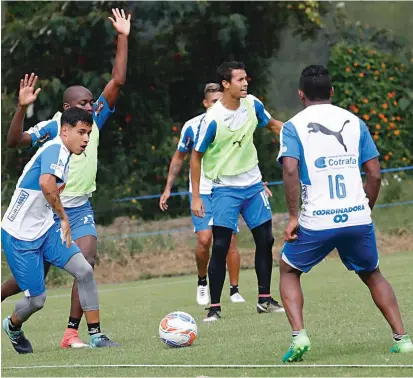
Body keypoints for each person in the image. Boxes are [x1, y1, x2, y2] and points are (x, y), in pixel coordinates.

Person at [1, 8, 131, 349]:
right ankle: (12, 317)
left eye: (93, 103)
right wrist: (20, 107)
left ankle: (85, 333)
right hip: (40, 218)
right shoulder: (54, 131)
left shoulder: (91, 123)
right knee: (34, 289)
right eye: (84, 103)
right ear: (67, 110)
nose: (91, 107)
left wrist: (123, 36)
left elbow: (117, 80)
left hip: (76, 207)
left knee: (85, 264)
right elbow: (14, 143)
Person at [277, 65, 413, 362]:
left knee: (288, 269)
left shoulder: (293, 125)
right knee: (373, 274)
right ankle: (403, 339)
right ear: (332, 92)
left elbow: (289, 168)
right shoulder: (354, 122)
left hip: (317, 219)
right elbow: (375, 175)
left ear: (301, 95)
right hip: (356, 216)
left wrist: (292, 217)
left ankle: (299, 335)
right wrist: (365, 209)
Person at [2, 107, 120, 354]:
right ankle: (12, 326)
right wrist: (64, 219)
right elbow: (46, 183)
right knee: (36, 300)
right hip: (20, 236)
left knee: (84, 271)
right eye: (81, 132)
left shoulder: (66, 152)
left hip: (45, 230)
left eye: (88, 133)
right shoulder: (56, 148)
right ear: (65, 131)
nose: (86, 138)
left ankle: (96, 336)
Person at [191, 61, 285, 322]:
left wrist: (296, 134)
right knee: (220, 245)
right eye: (239, 79)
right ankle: (214, 307)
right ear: (225, 84)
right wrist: (197, 196)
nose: (245, 83)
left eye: (246, 79)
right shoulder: (212, 119)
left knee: (266, 240)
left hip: (253, 185)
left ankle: (264, 300)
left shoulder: (252, 104)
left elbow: (273, 125)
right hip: (225, 188)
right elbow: (195, 157)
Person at [160, 83, 246, 305]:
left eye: (221, 100)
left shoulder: (234, 121)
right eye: (214, 101)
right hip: (202, 191)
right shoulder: (192, 126)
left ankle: (234, 290)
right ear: (206, 103)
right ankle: (202, 281)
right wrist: (168, 188)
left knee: (230, 240)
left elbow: (243, 154)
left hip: (226, 188)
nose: (218, 104)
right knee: (205, 239)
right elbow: (179, 157)